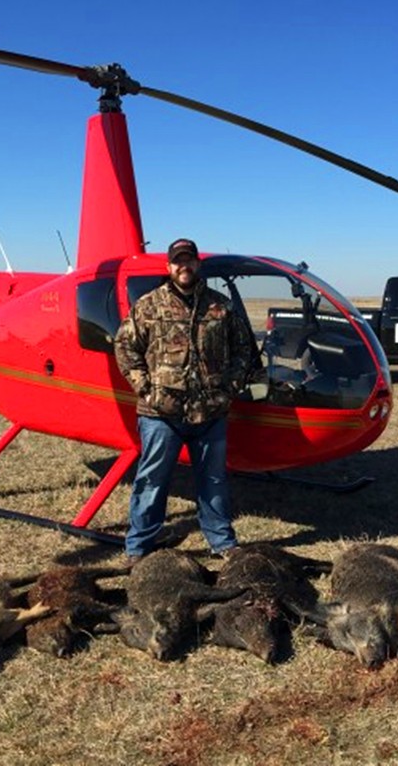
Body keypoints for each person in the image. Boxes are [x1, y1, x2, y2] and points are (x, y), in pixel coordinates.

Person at [114, 237, 253, 564]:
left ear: (197, 264)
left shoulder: (220, 306)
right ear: (169, 267)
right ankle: (139, 546)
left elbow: (243, 348)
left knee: (214, 480)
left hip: (210, 412)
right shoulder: (149, 306)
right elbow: (124, 348)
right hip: (161, 415)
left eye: (189, 260)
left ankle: (221, 541)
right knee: (152, 480)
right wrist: (146, 389)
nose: (184, 266)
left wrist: (229, 387)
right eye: (178, 261)